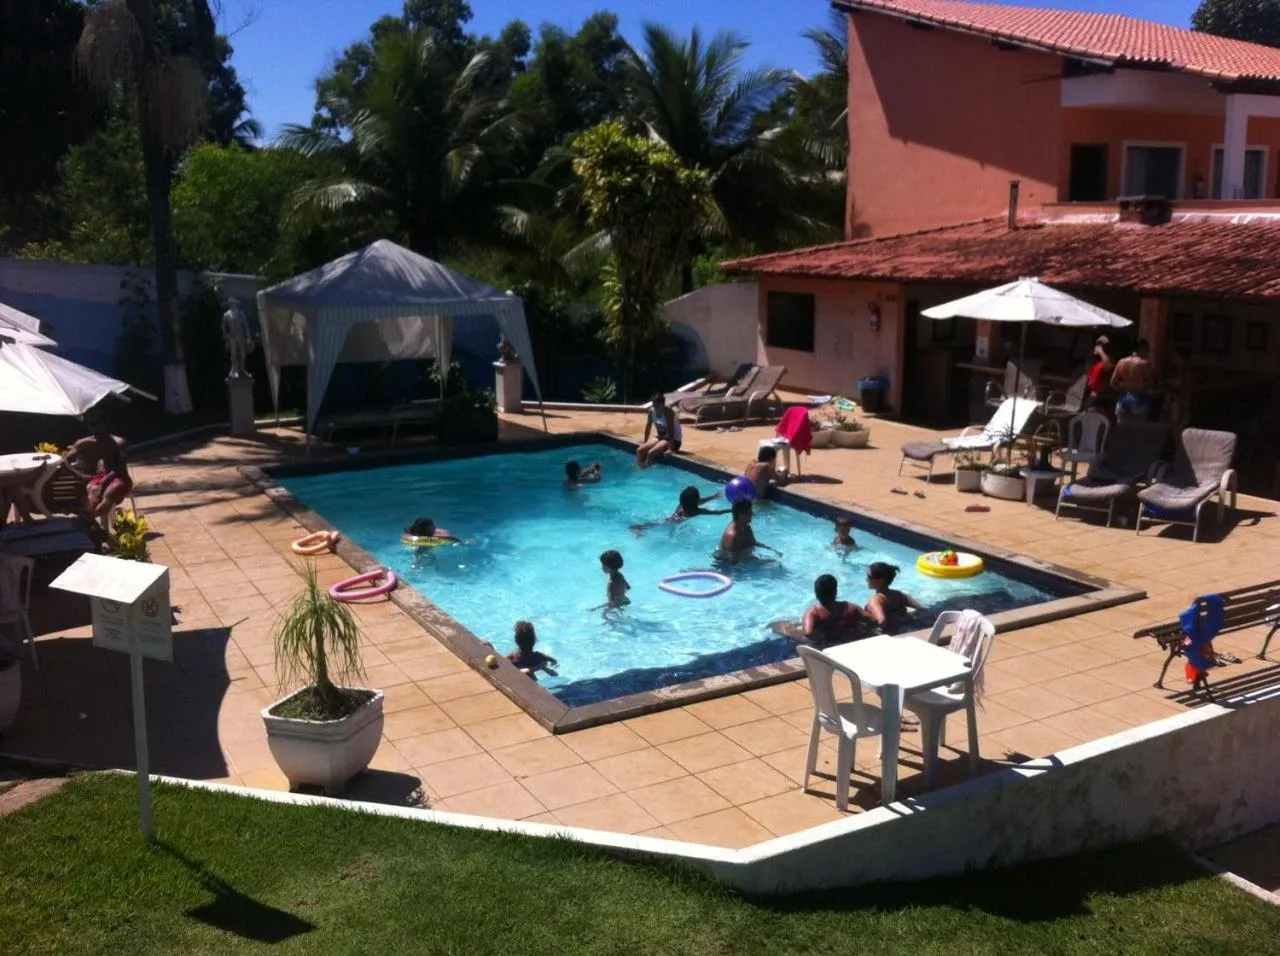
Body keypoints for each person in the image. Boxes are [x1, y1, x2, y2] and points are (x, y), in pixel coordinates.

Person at [66, 410, 132, 531]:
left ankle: (88, 522)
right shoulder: (85, 443)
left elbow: (120, 469)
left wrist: (103, 482)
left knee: (108, 494)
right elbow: (65, 461)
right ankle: (92, 526)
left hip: (119, 477)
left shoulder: (118, 443)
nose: (92, 428)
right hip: (100, 476)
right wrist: (80, 475)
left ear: (104, 424)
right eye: (90, 425)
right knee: (91, 495)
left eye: (95, 424)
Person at [802, 574, 872, 644]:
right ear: (835, 591)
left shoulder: (813, 612)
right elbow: (872, 620)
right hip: (850, 643)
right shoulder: (850, 607)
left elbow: (808, 633)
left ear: (816, 593)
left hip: (829, 646)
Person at [864, 562, 923, 629]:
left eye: (869, 577)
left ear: (880, 580)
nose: (866, 579)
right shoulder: (899, 594)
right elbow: (921, 609)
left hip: (895, 632)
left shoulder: (875, 600)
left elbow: (882, 621)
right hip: (908, 627)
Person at [1111, 339, 1154, 422]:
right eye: (1148, 351)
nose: (1148, 354)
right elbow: (1150, 384)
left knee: (1122, 427)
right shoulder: (1144, 363)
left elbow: (1112, 382)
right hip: (1139, 401)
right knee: (1138, 428)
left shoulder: (1121, 362)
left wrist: (1123, 389)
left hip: (1123, 400)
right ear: (1142, 349)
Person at [636, 393, 683, 467]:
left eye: (655, 405)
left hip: (674, 440)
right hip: (661, 437)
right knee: (640, 450)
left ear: (662, 404)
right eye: (653, 404)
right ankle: (640, 469)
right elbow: (648, 426)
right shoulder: (651, 411)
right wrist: (645, 442)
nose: (654, 407)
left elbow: (671, 430)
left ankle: (648, 472)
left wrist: (671, 449)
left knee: (651, 453)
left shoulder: (668, 412)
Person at [1162, 346, 1193, 434]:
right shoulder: (1172, 370)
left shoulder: (1186, 372)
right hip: (1172, 403)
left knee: (1178, 427)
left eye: (1174, 356)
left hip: (1179, 403)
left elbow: (1185, 388)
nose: (1172, 359)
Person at [1084, 335, 1116, 415]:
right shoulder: (1092, 358)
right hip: (1095, 395)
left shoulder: (1109, 358)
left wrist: (1101, 353)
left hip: (1107, 396)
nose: (1102, 346)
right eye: (1100, 344)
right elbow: (1088, 374)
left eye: (1105, 345)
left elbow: (1108, 366)